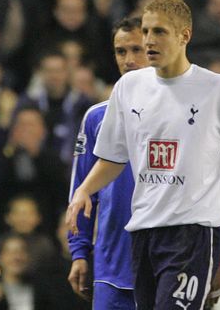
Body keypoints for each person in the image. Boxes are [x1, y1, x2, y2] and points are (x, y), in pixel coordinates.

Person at [67, 0, 220, 310]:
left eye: (160, 32)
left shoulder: (219, 90)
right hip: (143, 232)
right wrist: (85, 189)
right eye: (147, 32)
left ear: (185, 36)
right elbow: (113, 158)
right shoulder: (128, 89)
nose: (150, 40)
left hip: (193, 234)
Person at [67, 16, 148, 308]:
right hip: (111, 265)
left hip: (164, 261)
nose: (128, 60)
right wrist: (79, 252)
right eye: (121, 51)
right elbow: (82, 190)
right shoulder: (96, 118)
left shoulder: (181, 114)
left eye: (137, 50)